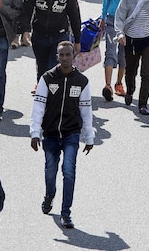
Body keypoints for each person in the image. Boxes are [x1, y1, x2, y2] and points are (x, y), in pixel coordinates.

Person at [30, 41, 94, 230]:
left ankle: (66, 213)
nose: (65, 58)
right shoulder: (47, 78)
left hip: (71, 134)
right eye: (61, 55)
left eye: (68, 54)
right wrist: (34, 133)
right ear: (57, 57)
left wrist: (89, 137)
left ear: (74, 56)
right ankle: (49, 195)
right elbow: (38, 107)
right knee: (51, 171)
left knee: (69, 171)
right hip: (49, 133)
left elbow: (86, 111)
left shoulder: (82, 81)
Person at [22, 0, 81, 83]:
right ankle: (42, 94)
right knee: (42, 68)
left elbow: (75, 16)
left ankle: (54, 96)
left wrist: (77, 40)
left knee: (54, 68)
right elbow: (26, 10)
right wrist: (25, 30)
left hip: (59, 36)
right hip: (39, 35)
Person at [100, 0, 136, 101]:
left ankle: (119, 83)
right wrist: (103, 17)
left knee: (124, 54)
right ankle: (107, 85)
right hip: (112, 19)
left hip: (128, 21)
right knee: (110, 51)